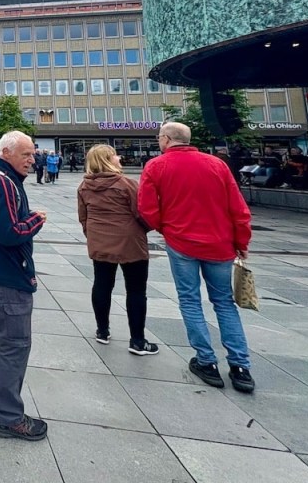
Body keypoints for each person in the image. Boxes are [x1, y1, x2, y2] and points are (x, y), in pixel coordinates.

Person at [138, 122, 255, 393]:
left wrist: (166, 228)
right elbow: (238, 207)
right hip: (220, 244)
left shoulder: (156, 166)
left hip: (181, 243)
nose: (159, 141)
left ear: (167, 139)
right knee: (224, 303)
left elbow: (147, 207)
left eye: (159, 137)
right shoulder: (216, 165)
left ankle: (206, 361)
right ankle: (240, 366)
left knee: (190, 300)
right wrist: (241, 241)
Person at [0, 131, 47, 441]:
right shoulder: (3, 182)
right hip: (7, 275)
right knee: (14, 344)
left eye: (33, 154)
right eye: (25, 154)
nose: (32, 159)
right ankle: (8, 417)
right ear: (5, 153)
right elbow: (10, 233)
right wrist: (36, 220)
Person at [78, 144, 157, 355]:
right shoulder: (126, 183)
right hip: (130, 242)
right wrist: (145, 229)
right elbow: (142, 213)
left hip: (100, 241)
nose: (119, 158)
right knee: (136, 289)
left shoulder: (84, 186)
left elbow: (83, 216)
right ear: (107, 160)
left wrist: (93, 235)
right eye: (114, 155)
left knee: (102, 284)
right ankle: (137, 340)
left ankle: (102, 331)